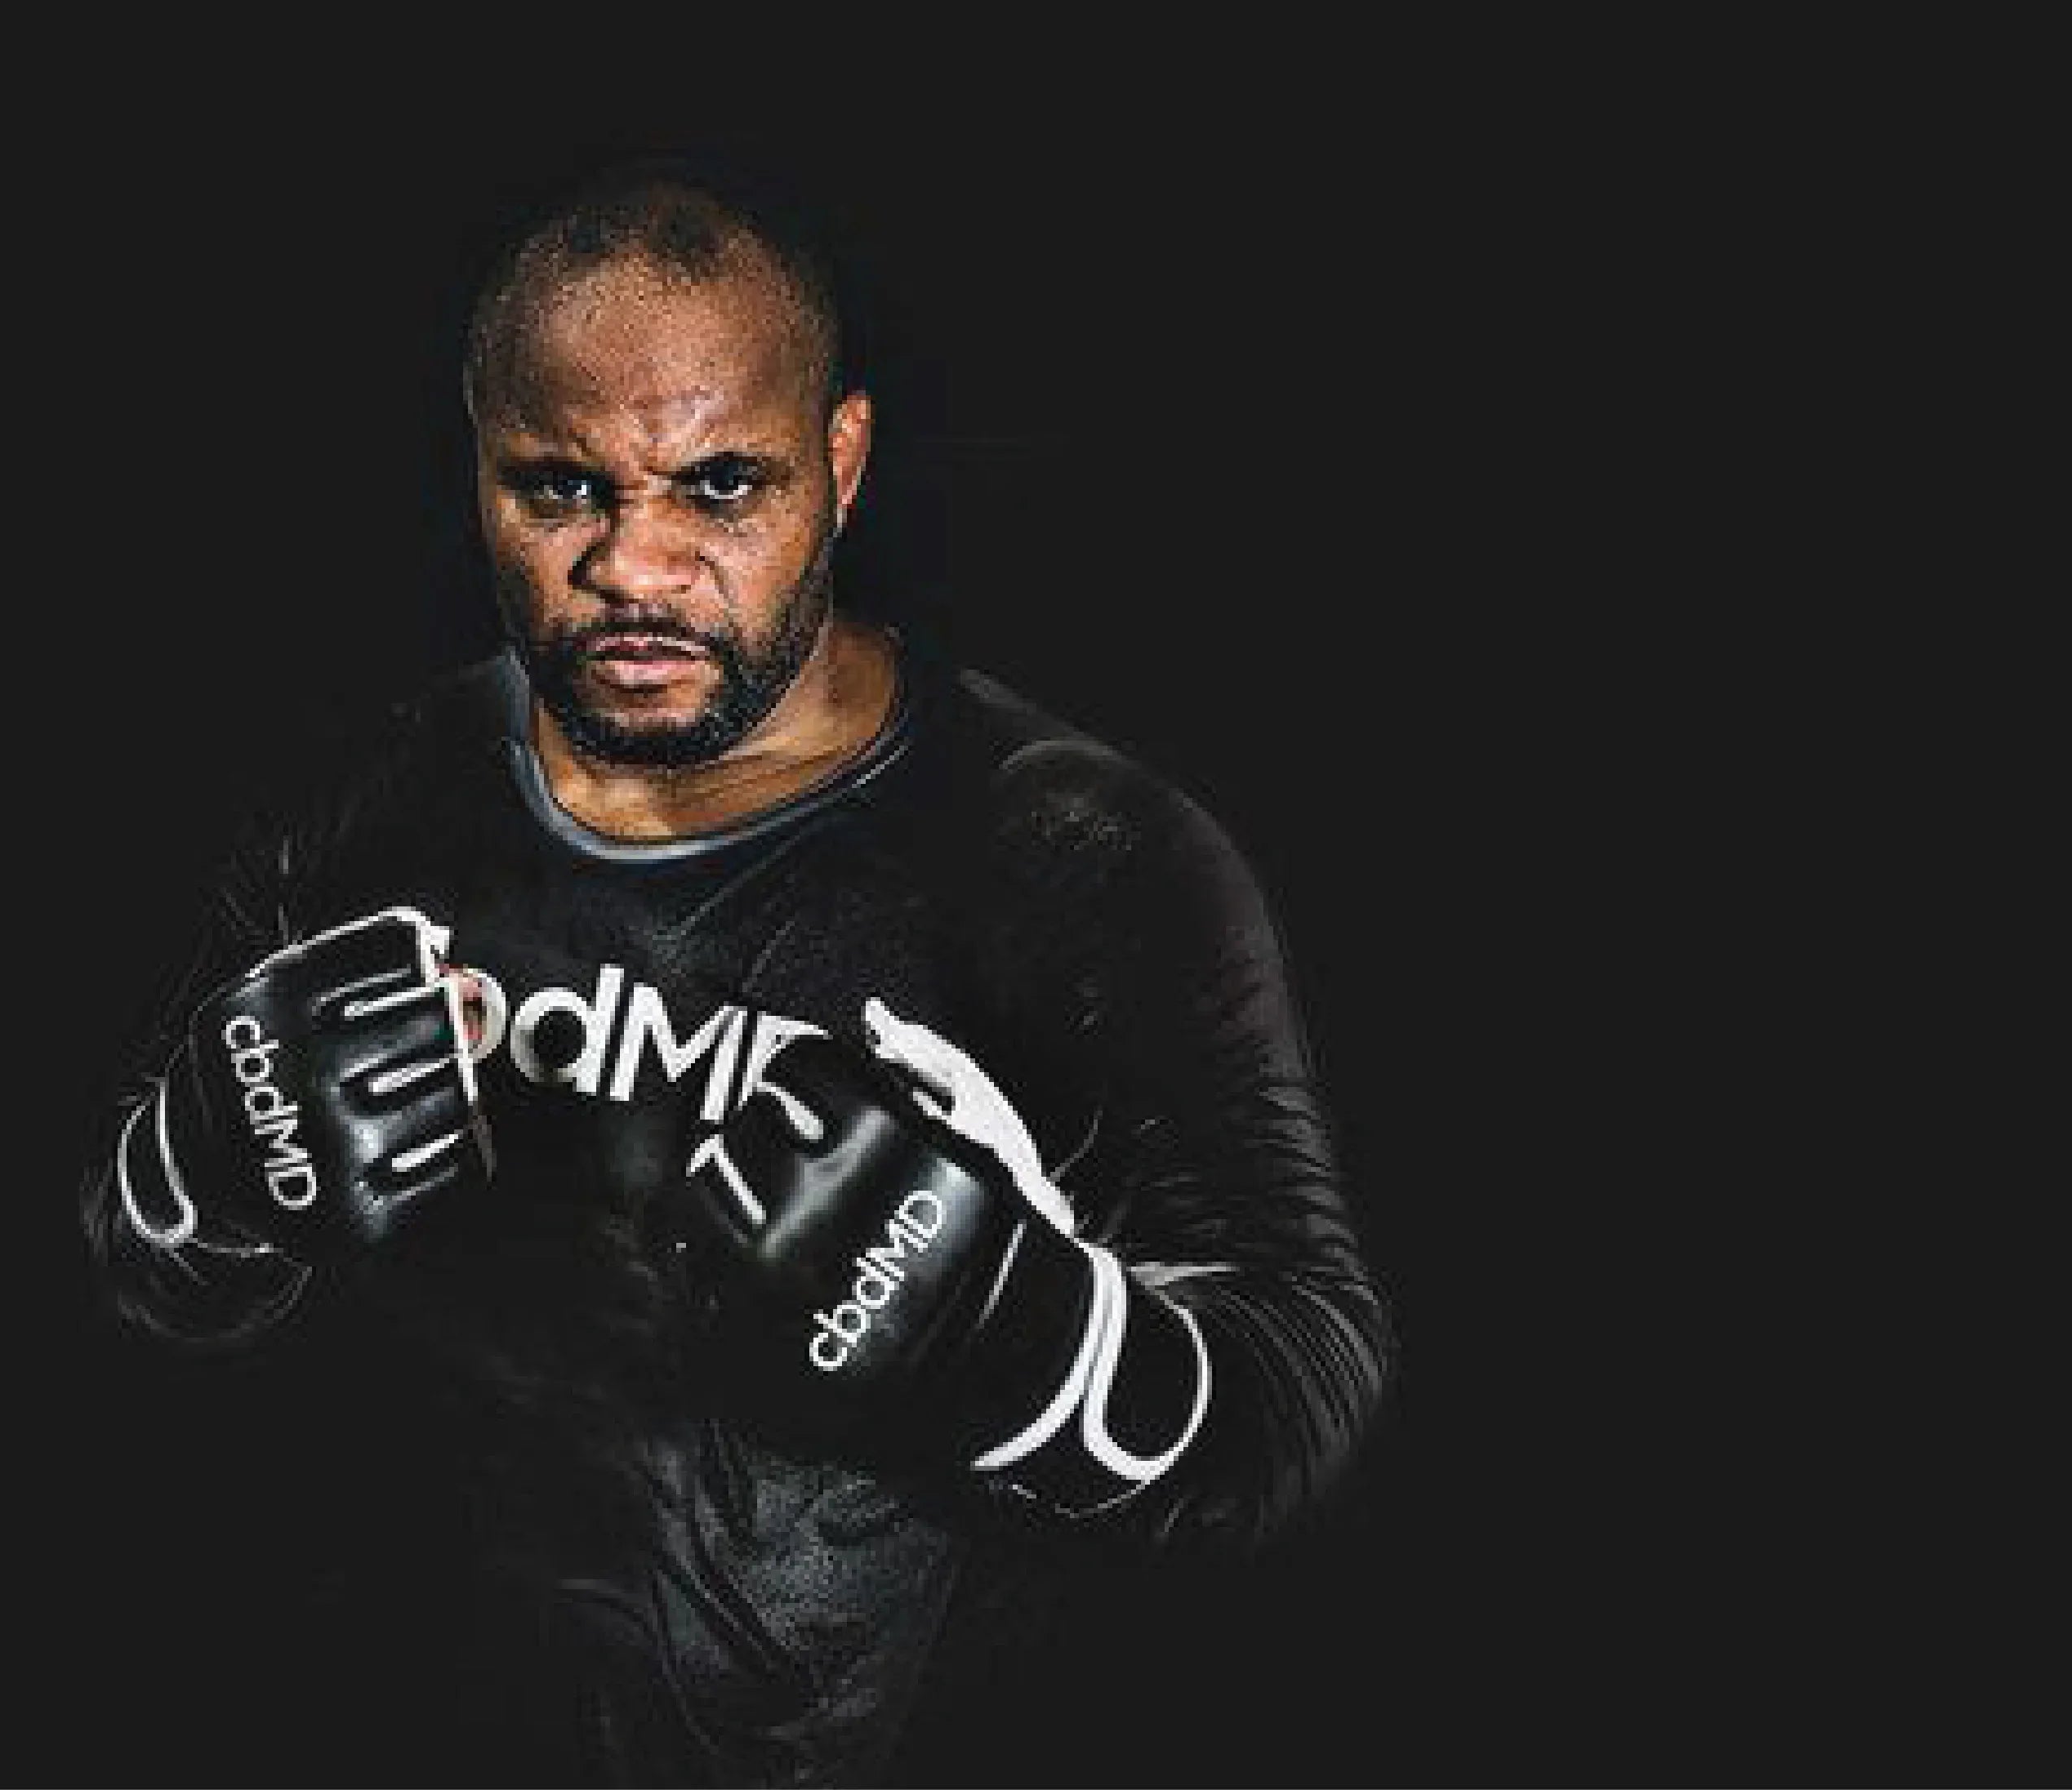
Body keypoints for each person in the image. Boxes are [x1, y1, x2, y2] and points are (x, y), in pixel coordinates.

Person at [78, 157, 1392, 1787]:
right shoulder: (381, 787)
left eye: (718, 487)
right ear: (478, 468)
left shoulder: (1068, 852)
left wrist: (1043, 1343)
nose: (633, 566)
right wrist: (189, 1169)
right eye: (559, 487)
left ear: (837, 467)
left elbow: (1305, 1378)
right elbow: (138, 1276)